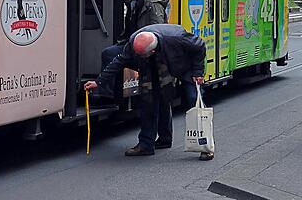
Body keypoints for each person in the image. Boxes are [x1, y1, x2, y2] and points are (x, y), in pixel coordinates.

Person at [84, 24, 211, 160]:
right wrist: (98, 82)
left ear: (152, 51)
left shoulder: (177, 38)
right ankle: (147, 144)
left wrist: (198, 72)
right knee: (148, 101)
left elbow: (200, 46)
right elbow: (119, 61)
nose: (138, 57)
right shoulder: (135, 42)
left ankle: (206, 146)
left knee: (194, 100)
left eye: (141, 55)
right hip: (152, 67)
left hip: (185, 67)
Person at [99, 0, 169, 82]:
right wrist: (127, 0)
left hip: (145, 47)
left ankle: (107, 93)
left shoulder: (153, 2)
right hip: (133, 43)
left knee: (109, 55)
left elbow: (158, 28)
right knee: (109, 54)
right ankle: (109, 92)